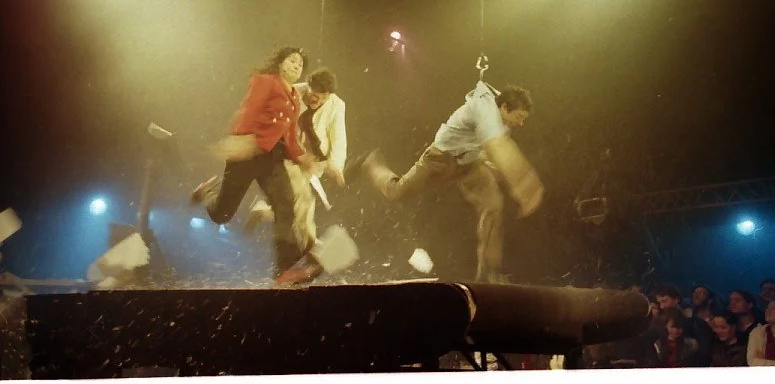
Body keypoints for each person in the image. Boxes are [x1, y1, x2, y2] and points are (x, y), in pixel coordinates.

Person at [350, 80, 544, 283]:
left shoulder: (501, 121)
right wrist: (525, 186)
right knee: (397, 192)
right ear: (505, 107)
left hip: (470, 164)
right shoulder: (484, 108)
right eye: (519, 117)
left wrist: (489, 164)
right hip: (440, 160)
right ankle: (370, 163)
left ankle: (488, 271)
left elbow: (487, 144)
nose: (520, 123)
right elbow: (499, 147)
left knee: (493, 204)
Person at [189, 46, 321, 285]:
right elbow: (250, 109)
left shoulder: (294, 98)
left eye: (300, 64)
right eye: (292, 61)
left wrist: (302, 157)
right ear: (280, 63)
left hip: (272, 157)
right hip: (249, 151)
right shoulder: (266, 81)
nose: (296, 66)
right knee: (222, 214)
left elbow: (289, 135)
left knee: (287, 206)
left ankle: (283, 270)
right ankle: (206, 194)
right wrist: (240, 138)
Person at [244, 67, 347, 236]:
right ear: (308, 85)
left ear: (328, 95)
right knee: (304, 201)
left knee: (293, 203)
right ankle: (309, 243)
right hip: (292, 155)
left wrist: (336, 165)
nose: (315, 98)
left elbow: (339, 136)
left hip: (314, 161)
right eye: (313, 92)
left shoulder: (336, 105)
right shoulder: (292, 93)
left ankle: (264, 210)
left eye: (321, 96)